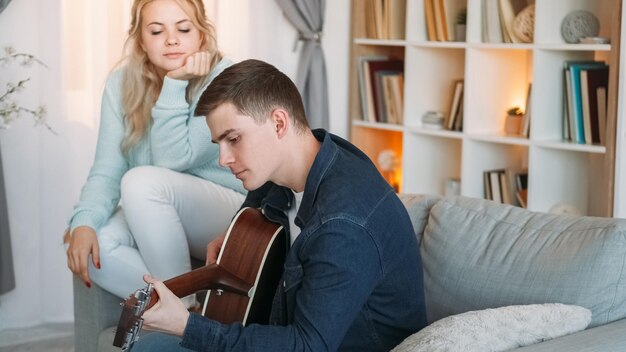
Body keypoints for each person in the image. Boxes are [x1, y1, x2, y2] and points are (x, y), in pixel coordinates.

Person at [132, 59, 427, 351]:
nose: (223, 159)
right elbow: (258, 197)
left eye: (233, 139)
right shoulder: (308, 156)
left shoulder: (342, 225)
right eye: (219, 144)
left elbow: (307, 347)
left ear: (278, 123)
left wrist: (187, 325)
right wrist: (236, 235)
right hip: (280, 331)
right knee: (150, 346)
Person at [64, 0, 245, 308]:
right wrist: (83, 222)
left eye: (184, 29)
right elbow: (107, 169)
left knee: (139, 182)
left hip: (227, 213)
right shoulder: (120, 84)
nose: (172, 39)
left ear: (201, 34)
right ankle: (185, 309)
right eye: (157, 31)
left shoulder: (223, 78)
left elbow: (174, 159)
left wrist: (175, 83)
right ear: (140, 40)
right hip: (156, 209)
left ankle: (178, 314)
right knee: (101, 244)